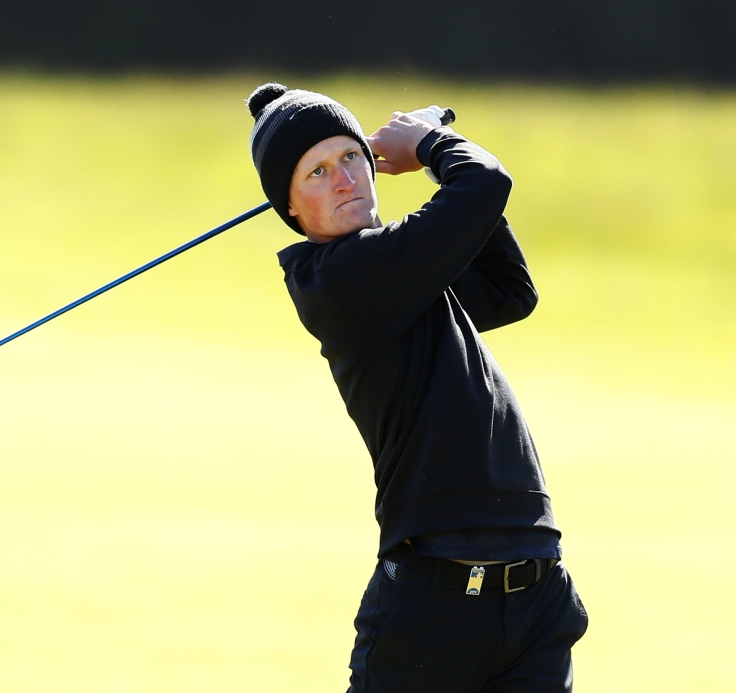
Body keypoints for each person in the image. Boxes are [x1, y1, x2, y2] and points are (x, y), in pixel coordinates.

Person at [246, 83, 588, 693]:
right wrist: (430, 145)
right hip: (432, 605)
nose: (344, 179)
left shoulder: (402, 271)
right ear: (291, 209)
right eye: (317, 173)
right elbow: (484, 184)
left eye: (350, 157)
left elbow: (510, 290)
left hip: (534, 596)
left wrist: (436, 167)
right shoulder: (340, 279)